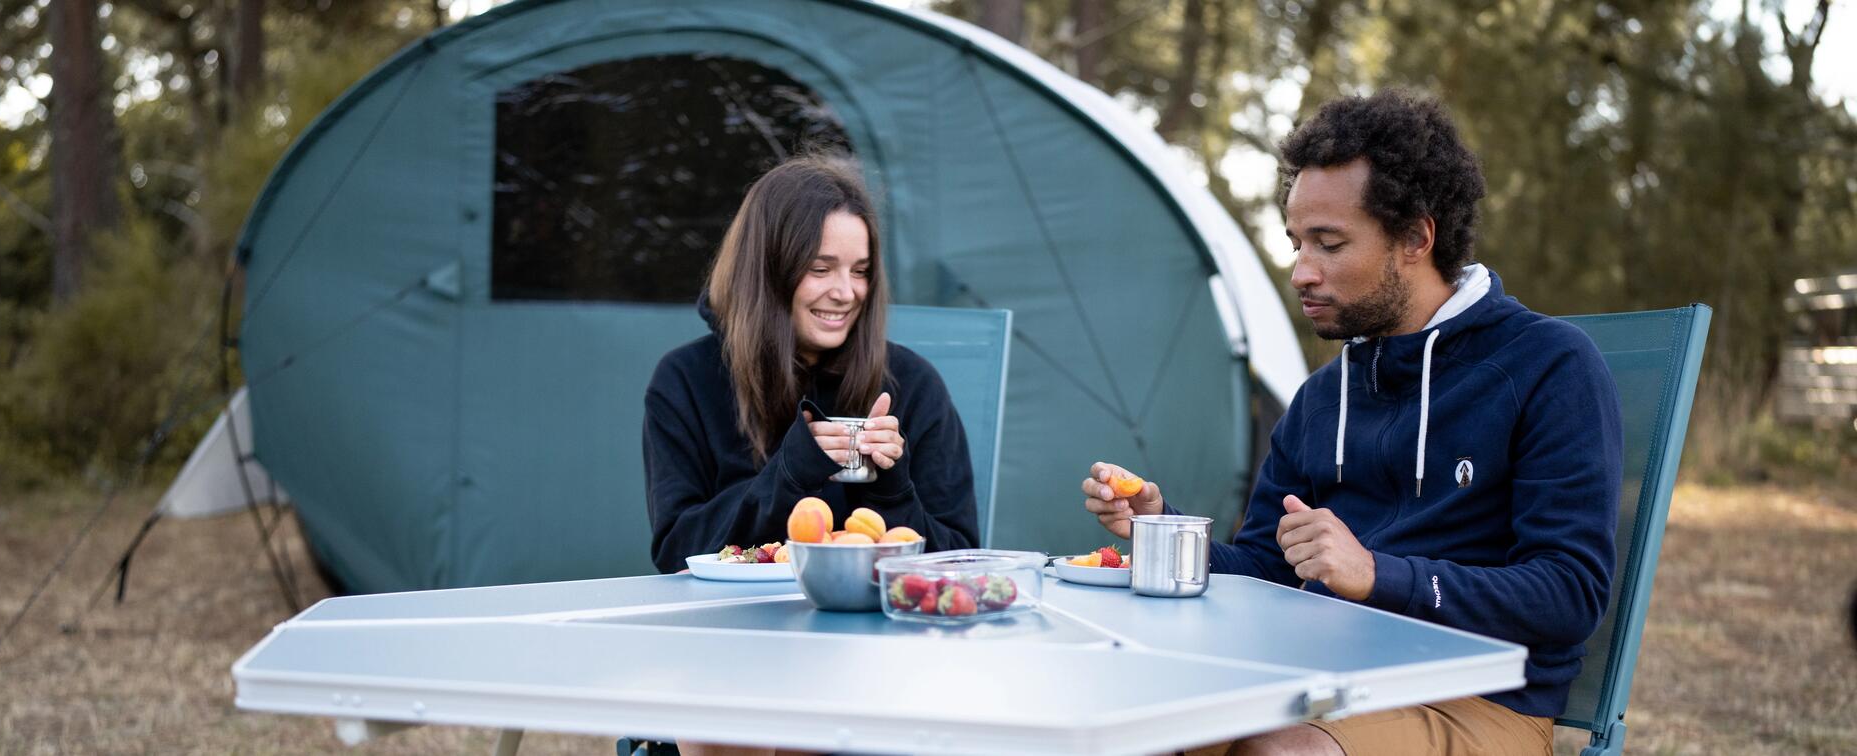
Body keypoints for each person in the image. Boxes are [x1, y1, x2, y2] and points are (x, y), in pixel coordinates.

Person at [1082, 90, 1622, 755]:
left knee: (1281, 753)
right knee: (1125, 722)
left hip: (1479, 702)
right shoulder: (1322, 398)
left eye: (1328, 244)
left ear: (1416, 239)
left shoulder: (1548, 367)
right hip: (1321, 678)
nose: (1300, 271)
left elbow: (1569, 592)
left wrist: (1378, 575)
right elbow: (1265, 567)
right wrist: (1162, 531)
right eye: (1296, 242)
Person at [644, 153, 981, 575]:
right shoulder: (685, 381)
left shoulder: (911, 384)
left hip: (880, 635)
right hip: (740, 633)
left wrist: (893, 492)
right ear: (766, 270)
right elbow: (677, 553)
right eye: (820, 268)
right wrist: (786, 476)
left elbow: (962, 560)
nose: (846, 292)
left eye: (860, 271)